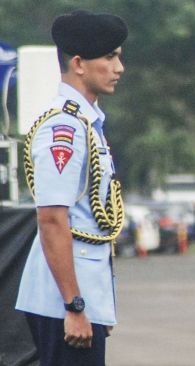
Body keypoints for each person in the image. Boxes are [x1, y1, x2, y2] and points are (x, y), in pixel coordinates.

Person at [15, 10, 127, 365]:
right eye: (109, 57)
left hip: (80, 296)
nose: (119, 68)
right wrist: (75, 305)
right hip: (61, 301)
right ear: (78, 63)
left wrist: (96, 305)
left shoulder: (87, 123)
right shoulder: (63, 128)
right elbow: (51, 219)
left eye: (119, 56)